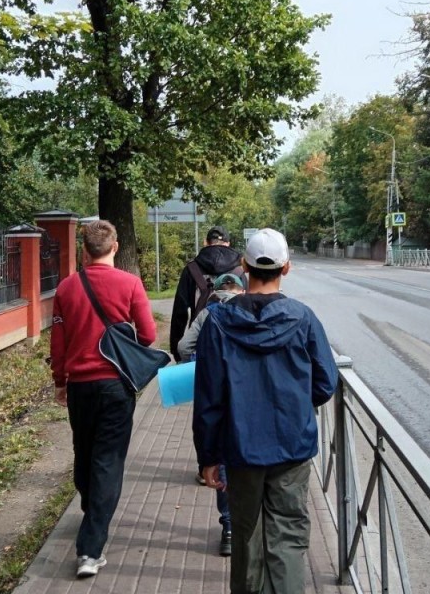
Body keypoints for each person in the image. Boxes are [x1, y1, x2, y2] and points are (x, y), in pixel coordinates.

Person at [193, 228, 339, 594]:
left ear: (244, 267)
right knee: (288, 533)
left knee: (245, 532)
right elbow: (325, 382)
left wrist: (208, 456)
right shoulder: (303, 318)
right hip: (292, 446)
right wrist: (295, 408)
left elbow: (208, 397)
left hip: (240, 448)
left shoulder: (217, 323)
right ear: (286, 268)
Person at [50, 219, 157, 579]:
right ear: (114, 247)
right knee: (107, 461)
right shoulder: (130, 283)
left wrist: (59, 381)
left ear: (83, 250)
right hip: (115, 386)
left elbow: (58, 341)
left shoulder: (66, 288)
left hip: (79, 385)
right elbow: (148, 335)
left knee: (84, 451)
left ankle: (92, 512)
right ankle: (90, 551)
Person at [177, 272, 246, 558]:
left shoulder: (208, 314)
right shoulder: (253, 310)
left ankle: (229, 528)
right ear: (241, 290)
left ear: (217, 293)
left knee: (224, 460)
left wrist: (200, 360)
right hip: (249, 396)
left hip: (217, 396)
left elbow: (183, 348)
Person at [169, 225, 243, 363]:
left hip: (198, 341)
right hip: (234, 344)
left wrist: (176, 349)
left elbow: (180, 312)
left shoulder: (191, 269)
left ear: (206, 242)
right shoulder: (240, 270)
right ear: (228, 244)